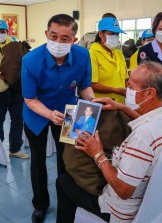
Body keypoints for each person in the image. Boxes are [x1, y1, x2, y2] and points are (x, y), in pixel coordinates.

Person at [56, 62, 162, 223]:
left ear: (150, 93)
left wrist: (97, 154)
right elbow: (146, 121)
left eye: (130, 86)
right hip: (152, 199)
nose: (126, 90)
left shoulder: (142, 138)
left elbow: (123, 191)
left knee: (63, 182)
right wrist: (122, 107)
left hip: (120, 211)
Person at [21, 14, 95, 223]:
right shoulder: (30, 61)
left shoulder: (82, 56)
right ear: (46, 34)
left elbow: (85, 86)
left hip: (68, 113)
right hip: (37, 114)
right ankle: (40, 204)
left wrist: (93, 102)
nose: (58, 42)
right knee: (38, 161)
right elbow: (29, 99)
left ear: (73, 39)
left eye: (65, 38)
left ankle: (67, 202)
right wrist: (49, 114)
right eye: (54, 36)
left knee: (67, 160)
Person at [0, 19, 29, 159]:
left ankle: (14, 149)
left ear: (7, 31)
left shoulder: (12, 42)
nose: (1, 34)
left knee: (17, 119)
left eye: (3, 31)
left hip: (15, 87)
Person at [90, 17, 128, 103]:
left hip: (121, 103)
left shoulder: (119, 54)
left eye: (117, 34)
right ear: (101, 34)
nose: (115, 37)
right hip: (104, 105)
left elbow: (125, 79)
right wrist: (116, 90)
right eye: (112, 34)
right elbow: (92, 84)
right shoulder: (93, 54)